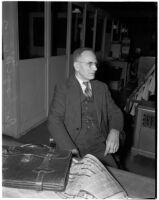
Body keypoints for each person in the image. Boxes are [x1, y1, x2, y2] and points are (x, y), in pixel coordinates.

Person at [48, 47, 124, 167]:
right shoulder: (63, 88)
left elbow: (115, 112)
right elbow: (54, 120)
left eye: (95, 64)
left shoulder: (101, 88)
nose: (95, 68)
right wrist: (70, 150)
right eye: (90, 64)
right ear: (77, 66)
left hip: (98, 144)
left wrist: (114, 131)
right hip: (72, 143)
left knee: (114, 174)